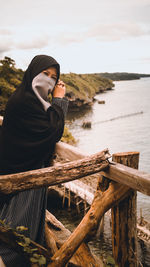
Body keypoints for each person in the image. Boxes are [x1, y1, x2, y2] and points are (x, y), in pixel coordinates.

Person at [0, 55, 68, 266]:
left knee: (25, 224)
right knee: (19, 226)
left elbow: (47, 128)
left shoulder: (35, 100)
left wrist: (54, 103)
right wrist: (59, 100)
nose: (48, 80)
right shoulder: (24, 101)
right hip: (23, 173)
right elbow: (52, 131)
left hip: (26, 168)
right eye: (44, 74)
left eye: (53, 77)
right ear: (32, 73)